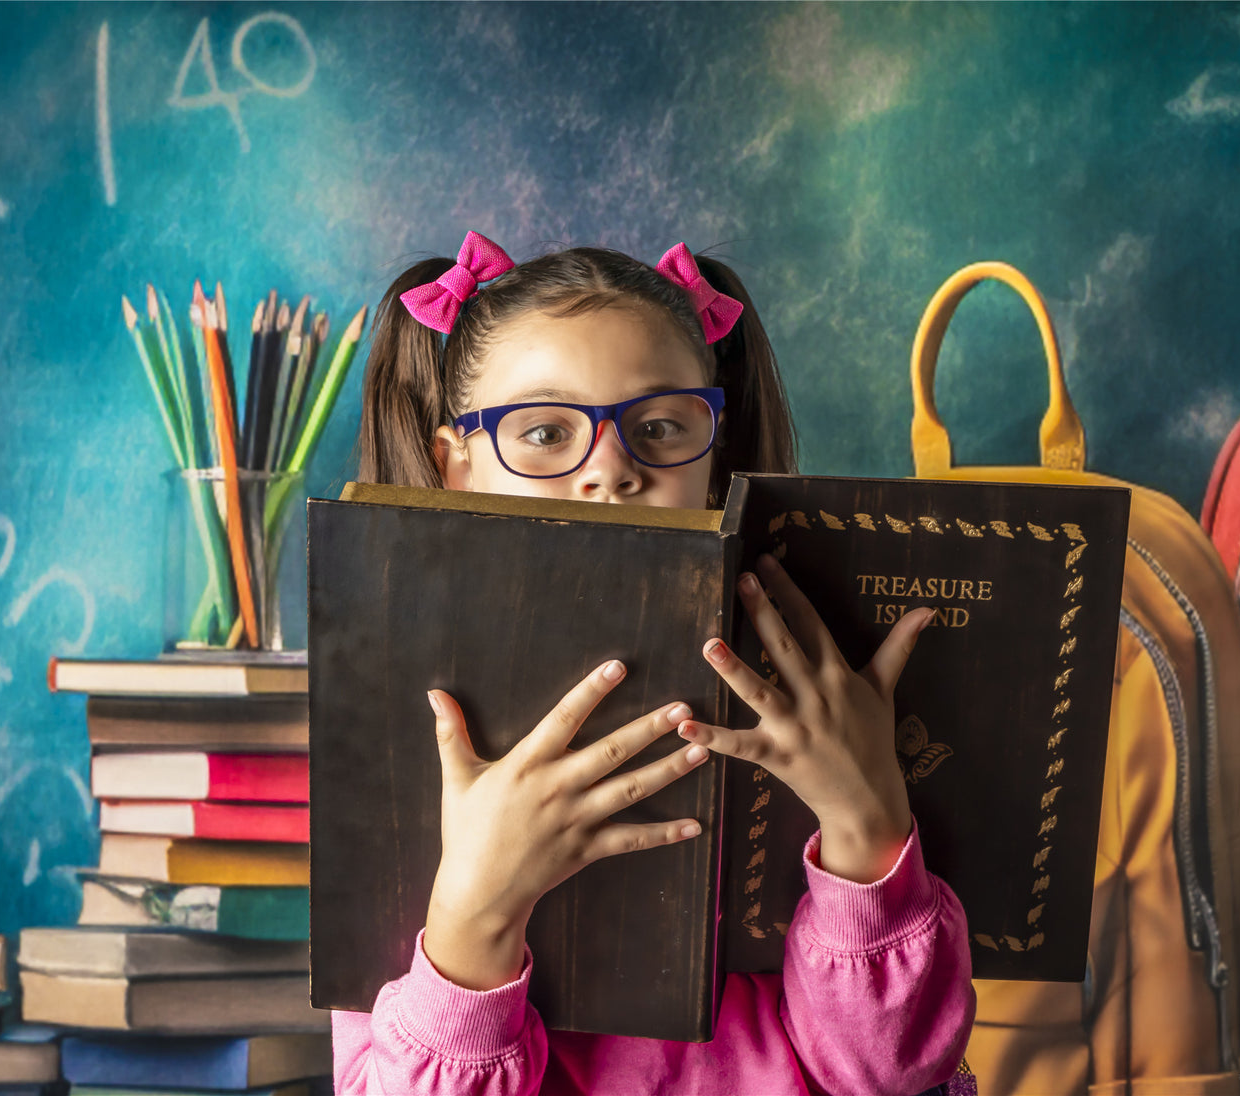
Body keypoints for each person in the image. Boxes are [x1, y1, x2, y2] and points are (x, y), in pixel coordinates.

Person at [333, 231, 976, 1095]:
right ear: (456, 463)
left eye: (660, 427)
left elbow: (886, 1071)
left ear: (712, 459)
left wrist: (864, 821)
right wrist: (474, 915)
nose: (608, 468)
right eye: (544, 431)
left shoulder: (815, 688)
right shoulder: (392, 729)